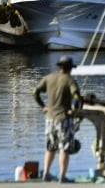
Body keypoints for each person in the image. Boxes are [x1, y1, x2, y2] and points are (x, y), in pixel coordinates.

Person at [33, 55, 81, 183]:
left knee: (50, 147)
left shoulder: (48, 78)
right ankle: (62, 176)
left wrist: (43, 106)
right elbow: (76, 97)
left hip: (50, 119)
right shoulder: (70, 80)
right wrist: (74, 110)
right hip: (64, 118)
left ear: (59, 67)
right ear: (70, 68)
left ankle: (46, 174)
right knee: (64, 148)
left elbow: (35, 92)